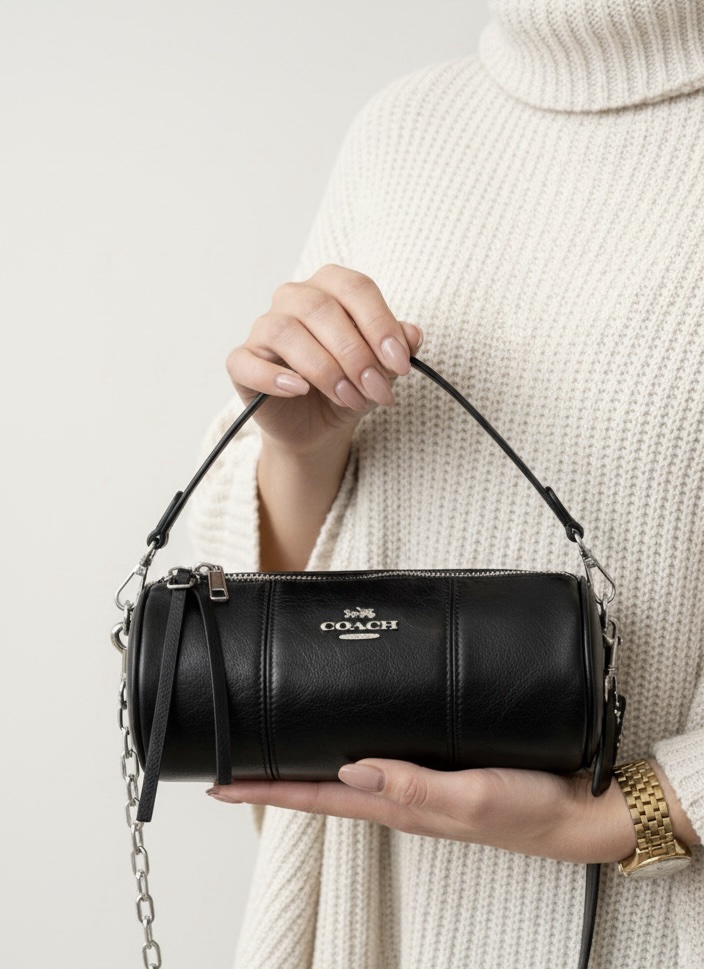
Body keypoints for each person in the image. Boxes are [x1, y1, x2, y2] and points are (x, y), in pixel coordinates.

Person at [188, 1, 704, 966]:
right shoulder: (405, 127)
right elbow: (291, 595)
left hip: (654, 920)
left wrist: (612, 816)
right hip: (378, 907)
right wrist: (301, 450)